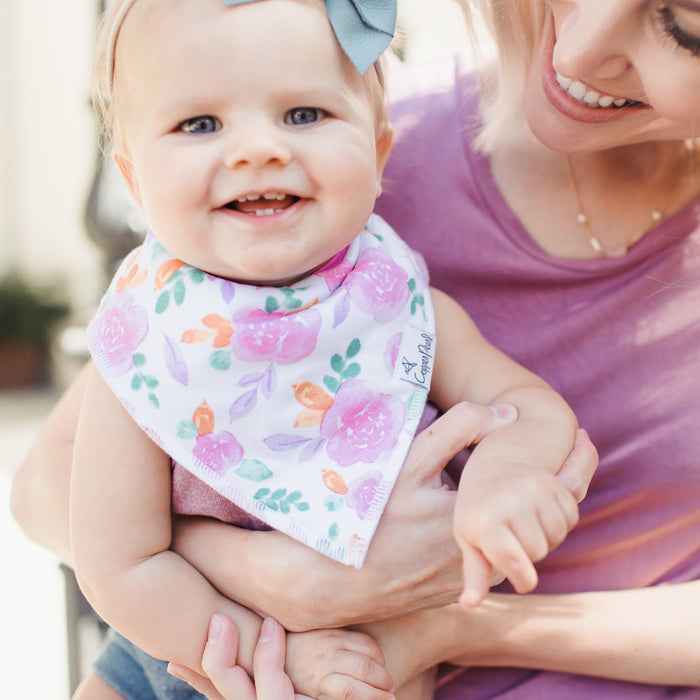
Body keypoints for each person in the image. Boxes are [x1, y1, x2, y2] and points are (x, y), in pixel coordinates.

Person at [24, 0, 700, 697]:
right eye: (199, 124)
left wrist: (505, 475)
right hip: (173, 655)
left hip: (379, 662)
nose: (259, 148)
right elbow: (120, 561)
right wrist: (273, 637)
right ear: (135, 178)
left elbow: (521, 405)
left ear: (381, 151)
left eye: (304, 116)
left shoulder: (394, 300)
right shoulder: (148, 335)